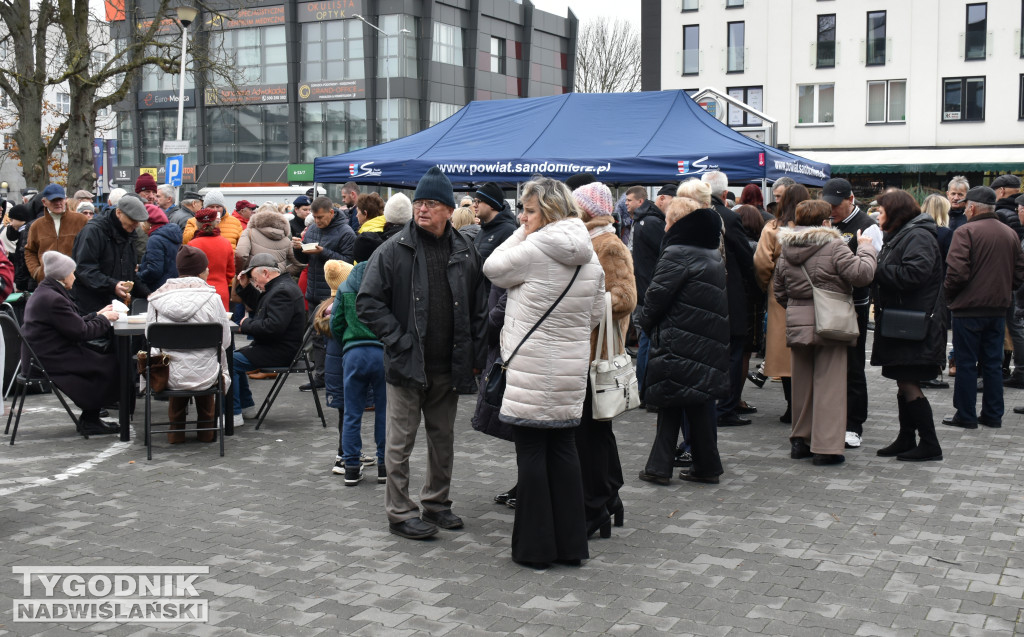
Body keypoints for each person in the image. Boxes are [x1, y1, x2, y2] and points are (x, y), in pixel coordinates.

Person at [357, 166, 487, 541]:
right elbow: (367, 302)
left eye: (431, 204)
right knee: (400, 443)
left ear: (449, 209)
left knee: (442, 438)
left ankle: (436, 503)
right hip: (407, 364)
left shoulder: (465, 249)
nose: (422, 210)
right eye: (419, 203)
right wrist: (398, 340)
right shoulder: (392, 249)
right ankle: (399, 513)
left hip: (449, 365)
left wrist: (475, 354)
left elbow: (478, 307)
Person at [482, 177, 605, 568]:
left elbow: (492, 267)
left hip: (531, 368)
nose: (523, 216)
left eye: (529, 210)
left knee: (532, 454)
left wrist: (521, 231)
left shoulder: (532, 246)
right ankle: (571, 548)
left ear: (548, 211)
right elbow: (597, 312)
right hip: (570, 370)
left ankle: (535, 550)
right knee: (565, 452)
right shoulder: (590, 253)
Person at [774, 200, 877, 466]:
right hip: (831, 322)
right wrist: (867, 250)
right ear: (825, 222)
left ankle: (800, 440)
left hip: (798, 322)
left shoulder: (787, 248)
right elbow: (862, 275)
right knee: (830, 385)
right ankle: (826, 447)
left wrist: (799, 310)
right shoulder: (834, 245)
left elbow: (779, 291)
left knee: (802, 384)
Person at [638, 196, 728, 485]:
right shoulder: (711, 252)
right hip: (707, 337)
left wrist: (645, 324)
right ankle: (707, 466)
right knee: (699, 402)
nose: (664, 226)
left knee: (669, 402)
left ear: (676, 222)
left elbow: (656, 296)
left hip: (678, 338)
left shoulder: (677, 252)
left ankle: (659, 467)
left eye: (667, 220)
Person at [571, 181, 635, 538]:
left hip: (597, 353)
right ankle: (609, 497)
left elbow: (625, 297)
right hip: (587, 350)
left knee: (590, 434)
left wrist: (582, 305)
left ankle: (596, 504)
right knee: (596, 431)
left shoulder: (607, 244)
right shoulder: (589, 240)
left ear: (586, 210)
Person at [869, 190, 945, 462]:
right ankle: (906, 437)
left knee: (909, 382)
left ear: (896, 212)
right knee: (903, 381)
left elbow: (915, 274)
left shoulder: (918, 236)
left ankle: (929, 443)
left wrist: (874, 269)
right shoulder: (905, 234)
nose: (879, 215)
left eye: (882, 210)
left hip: (914, 324)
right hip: (904, 322)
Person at [942, 186, 1024, 429]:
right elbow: (1019, 273)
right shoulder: (1009, 233)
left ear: (972, 207)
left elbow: (955, 273)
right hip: (998, 308)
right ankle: (992, 414)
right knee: (992, 363)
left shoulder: (965, 231)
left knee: (966, 363)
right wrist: (1004, 289)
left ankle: (965, 415)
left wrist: (950, 296)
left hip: (969, 309)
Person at [21, 251, 121, 436]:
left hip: (44, 354)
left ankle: (91, 417)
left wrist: (97, 315)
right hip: (48, 359)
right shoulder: (54, 298)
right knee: (109, 364)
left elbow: (71, 323)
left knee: (102, 360)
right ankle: (90, 419)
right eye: (72, 272)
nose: (74, 276)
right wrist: (105, 320)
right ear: (63, 275)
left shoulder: (47, 292)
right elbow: (82, 332)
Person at [146, 245, 232, 444]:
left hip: (168, 376)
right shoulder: (213, 298)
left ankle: (175, 432)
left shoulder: (157, 299)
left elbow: (150, 337)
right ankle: (206, 431)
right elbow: (225, 341)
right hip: (206, 374)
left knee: (175, 363)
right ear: (201, 271)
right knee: (204, 363)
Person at [821, 177, 882, 449]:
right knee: (828, 365)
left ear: (851, 200)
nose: (832, 210)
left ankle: (854, 424)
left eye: (836, 205)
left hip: (854, 306)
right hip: (826, 303)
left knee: (854, 366)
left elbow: (869, 270)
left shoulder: (868, 226)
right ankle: (829, 419)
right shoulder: (825, 222)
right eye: (828, 204)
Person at [702, 171, 757, 428]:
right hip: (728, 292)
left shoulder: (687, 215)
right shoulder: (728, 217)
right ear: (725, 194)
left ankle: (711, 403)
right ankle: (726, 407)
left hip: (699, 295)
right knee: (734, 350)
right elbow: (746, 259)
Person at [332, 239, 387, 486]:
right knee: (385, 413)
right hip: (382, 353)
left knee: (352, 413)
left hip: (353, 353)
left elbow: (336, 324)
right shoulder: (386, 284)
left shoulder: (345, 287)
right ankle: (385, 466)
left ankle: (352, 467)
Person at [754, 184, 810, 423]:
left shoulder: (773, 228)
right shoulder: (820, 228)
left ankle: (791, 407)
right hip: (812, 297)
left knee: (785, 355)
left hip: (781, 297)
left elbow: (762, 262)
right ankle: (808, 405)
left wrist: (769, 286)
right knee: (808, 353)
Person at [293, 196, 356, 391]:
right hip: (314, 290)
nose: (317, 221)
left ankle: (338, 378)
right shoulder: (312, 229)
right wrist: (298, 249)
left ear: (331, 212)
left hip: (333, 294)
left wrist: (322, 252)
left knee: (335, 339)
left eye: (320, 217)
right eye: (315, 217)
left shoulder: (346, 232)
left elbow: (347, 261)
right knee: (317, 338)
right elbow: (304, 258)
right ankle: (320, 377)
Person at [233, 254, 306, 419]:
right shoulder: (280, 286)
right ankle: (244, 408)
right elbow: (263, 306)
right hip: (276, 346)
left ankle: (234, 413)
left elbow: (273, 327)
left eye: (254, 279)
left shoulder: (282, 291)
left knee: (230, 362)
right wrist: (245, 287)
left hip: (280, 351)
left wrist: (245, 326)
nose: (255, 284)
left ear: (265, 272)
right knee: (232, 359)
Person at [71, 195, 150, 315]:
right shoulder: (93, 231)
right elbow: (85, 269)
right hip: (91, 306)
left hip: (116, 306)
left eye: (138, 221)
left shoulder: (128, 234)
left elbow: (130, 274)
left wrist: (147, 293)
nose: (136, 224)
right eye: (132, 220)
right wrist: (113, 285)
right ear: (119, 212)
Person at [630, 184, 672, 403]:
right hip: (649, 290)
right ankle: (644, 390)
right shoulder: (653, 222)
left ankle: (642, 388)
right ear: (663, 199)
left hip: (643, 288)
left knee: (646, 338)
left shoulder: (642, 220)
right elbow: (663, 256)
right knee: (647, 340)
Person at [24, 184, 89, 284]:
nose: (58, 203)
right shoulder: (36, 225)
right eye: (53, 200)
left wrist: (83, 272)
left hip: (76, 282)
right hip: (48, 282)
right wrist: (37, 272)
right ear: (44, 202)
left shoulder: (81, 220)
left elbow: (91, 248)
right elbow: (30, 251)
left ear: (66, 199)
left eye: (60, 199)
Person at [187, 208, 235, 310]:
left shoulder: (192, 244)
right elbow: (230, 272)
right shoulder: (226, 243)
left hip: (198, 292)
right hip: (220, 291)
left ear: (197, 224)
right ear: (216, 222)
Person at [234, 207, 304, 277]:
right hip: (276, 283)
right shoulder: (286, 239)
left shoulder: (249, 232)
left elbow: (241, 254)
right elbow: (300, 263)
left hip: (254, 280)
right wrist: (281, 274)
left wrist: (241, 273)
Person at [137, 203, 182, 291]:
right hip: (172, 285)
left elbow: (155, 270)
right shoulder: (172, 234)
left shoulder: (155, 239)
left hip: (159, 288)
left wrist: (138, 276)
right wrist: (141, 266)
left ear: (148, 223)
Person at [472, 182, 517, 264]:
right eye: (474, 201)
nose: (474, 205)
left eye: (478, 201)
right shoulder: (482, 231)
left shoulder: (509, 231)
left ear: (491, 205)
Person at [4, 203, 33, 291]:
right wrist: (10, 255)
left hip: (26, 284)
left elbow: (23, 261)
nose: (11, 223)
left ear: (20, 218)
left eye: (12, 219)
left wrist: (20, 285)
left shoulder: (25, 233)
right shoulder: (24, 232)